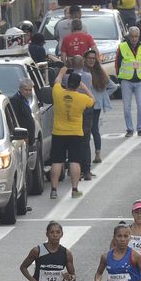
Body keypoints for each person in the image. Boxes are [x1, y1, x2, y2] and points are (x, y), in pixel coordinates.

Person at [49, 69, 93, 200]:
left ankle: (54, 190)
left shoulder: (57, 92)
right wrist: (84, 87)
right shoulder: (82, 98)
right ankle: (74, 190)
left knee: (56, 161)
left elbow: (57, 81)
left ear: (67, 83)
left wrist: (62, 71)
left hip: (58, 132)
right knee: (75, 161)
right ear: (78, 85)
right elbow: (93, 100)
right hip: (75, 133)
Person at [115, 27, 141, 137]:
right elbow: (117, 63)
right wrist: (120, 78)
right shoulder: (122, 46)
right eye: (132, 36)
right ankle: (129, 129)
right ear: (129, 36)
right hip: (126, 80)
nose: (134, 39)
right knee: (126, 107)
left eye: (136, 36)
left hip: (139, 80)